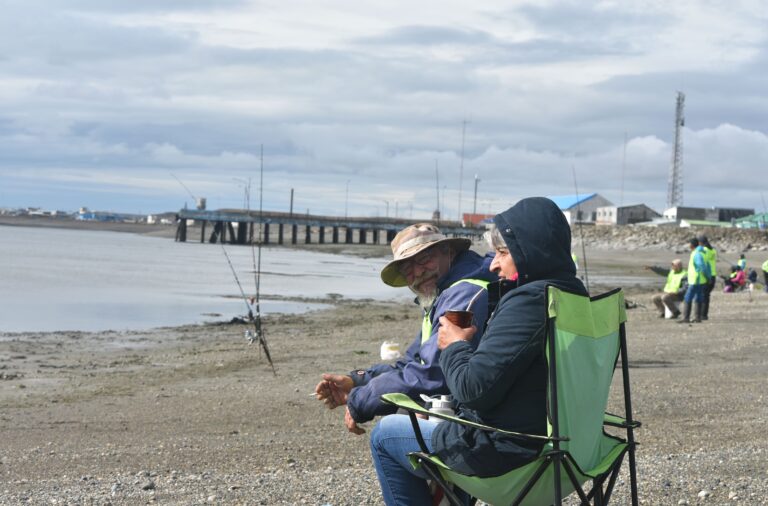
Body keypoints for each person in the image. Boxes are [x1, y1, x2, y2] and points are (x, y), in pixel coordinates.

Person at [369, 197, 586, 505]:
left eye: (502, 252)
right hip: (576, 451)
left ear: (529, 253)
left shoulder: (528, 303)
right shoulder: (575, 299)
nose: (494, 263)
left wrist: (456, 344)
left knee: (385, 435)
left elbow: (473, 390)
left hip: (513, 456)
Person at [314, 223, 496, 435]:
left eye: (424, 259)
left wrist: (362, 400)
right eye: (407, 269)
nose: (418, 272)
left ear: (448, 252)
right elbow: (413, 362)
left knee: (386, 436)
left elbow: (433, 374)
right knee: (406, 419)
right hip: (469, 404)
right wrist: (357, 381)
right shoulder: (442, 295)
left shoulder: (464, 292)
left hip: (486, 419)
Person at [679, 238, 710, 324]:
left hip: (696, 280)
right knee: (698, 297)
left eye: (689, 243)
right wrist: (707, 277)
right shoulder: (701, 253)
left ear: (692, 245)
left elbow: (702, 266)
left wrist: (707, 276)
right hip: (700, 280)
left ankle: (686, 317)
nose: (688, 245)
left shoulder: (697, 254)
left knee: (688, 298)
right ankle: (697, 317)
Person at [698, 235, 717, 320]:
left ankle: (702, 314)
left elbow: (702, 262)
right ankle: (704, 314)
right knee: (706, 295)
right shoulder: (713, 250)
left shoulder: (704, 250)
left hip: (708, 275)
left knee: (703, 295)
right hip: (713, 275)